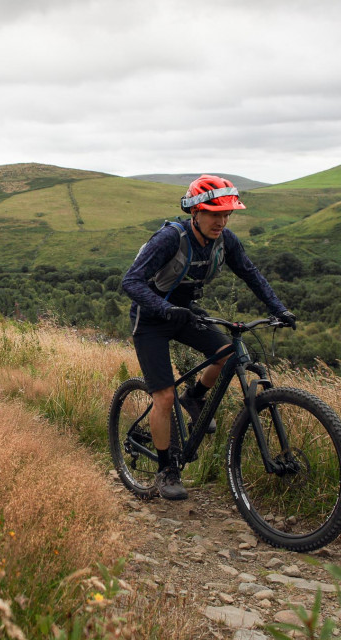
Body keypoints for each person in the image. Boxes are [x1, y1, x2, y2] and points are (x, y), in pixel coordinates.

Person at [121, 175, 295, 500]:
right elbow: (130, 282)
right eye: (215, 213)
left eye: (227, 214)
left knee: (229, 353)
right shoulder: (170, 239)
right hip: (151, 320)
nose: (222, 221)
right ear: (195, 212)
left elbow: (251, 274)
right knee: (164, 397)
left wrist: (279, 309)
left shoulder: (225, 241)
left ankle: (196, 397)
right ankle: (166, 470)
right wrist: (162, 307)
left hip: (185, 314)